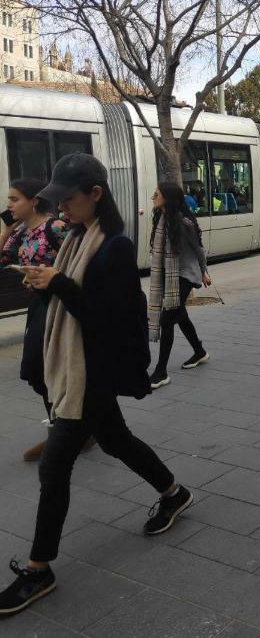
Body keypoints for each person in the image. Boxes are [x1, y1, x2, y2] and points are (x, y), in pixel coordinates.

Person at [0, 153, 193, 617]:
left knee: (54, 467)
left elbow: (112, 321)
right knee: (116, 440)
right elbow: (77, 301)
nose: (61, 208)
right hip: (82, 367)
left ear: (95, 195)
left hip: (92, 370)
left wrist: (60, 285)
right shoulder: (78, 237)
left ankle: (38, 568)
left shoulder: (115, 247)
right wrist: (46, 283)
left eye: (68, 199)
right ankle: (174, 494)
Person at [0, 180, 69, 462]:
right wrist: (6, 229)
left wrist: (51, 274)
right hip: (38, 304)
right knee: (35, 369)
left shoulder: (56, 228)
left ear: (35, 201)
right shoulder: (19, 233)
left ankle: (64, 432)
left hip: (61, 303)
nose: (8, 205)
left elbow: (79, 264)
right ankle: (65, 427)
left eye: (15, 199)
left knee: (46, 366)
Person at [149, 183, 212, 390]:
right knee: (180, 315)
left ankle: (161, 372)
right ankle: (199, 352)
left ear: (167, 197)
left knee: (168, 319)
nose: (152, 197)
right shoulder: (161, 219)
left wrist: (204, 271)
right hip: (171, 275)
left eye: (156, 194)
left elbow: (198, 248)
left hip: (186, 274)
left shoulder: (183, 223)